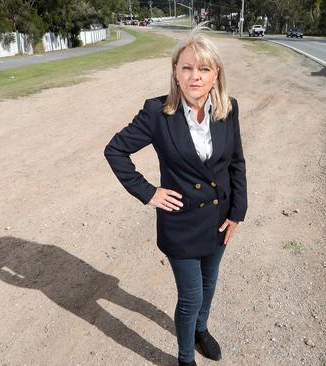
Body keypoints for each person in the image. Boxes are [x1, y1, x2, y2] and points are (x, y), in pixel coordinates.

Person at [104, 24, 247, 366]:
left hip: (218, 220)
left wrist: (238, 213)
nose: (194, 76)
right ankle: (185, 358)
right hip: (181, 225)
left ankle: (200, 330)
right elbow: (115, 151)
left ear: (216, 74)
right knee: (191, 296)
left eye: (203, 69)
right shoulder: (157, 113)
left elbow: (236, 163)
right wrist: (148, 192)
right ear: (175, 72)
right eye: (187, 67)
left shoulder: (228, 109)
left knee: (209, 284)